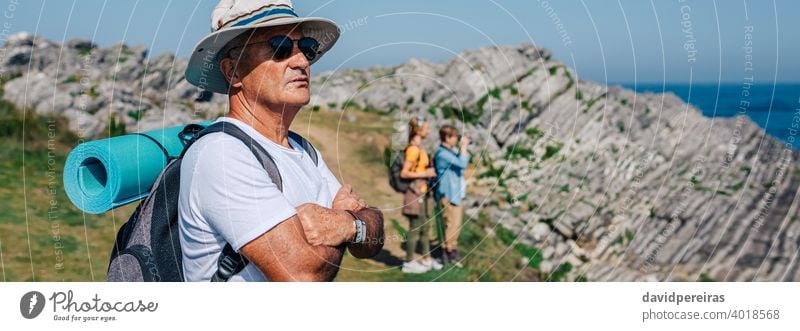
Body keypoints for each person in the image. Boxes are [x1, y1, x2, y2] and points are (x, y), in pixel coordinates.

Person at [178, 0, 383, 281]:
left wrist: (348, 225)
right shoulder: (221, 154)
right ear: (233, 71)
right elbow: (302, 275)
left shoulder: (303, 150)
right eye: (280, 47)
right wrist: (346, 220)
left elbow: (373, 238)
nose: (301, 61)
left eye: (307, 48)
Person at [399, 116, 443, 273]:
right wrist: (426, 172)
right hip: (415, 194)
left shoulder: (419, 147)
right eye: (426, 128)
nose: (429, 130)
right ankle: (408, 262)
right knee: (415, 228)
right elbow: (404, 173)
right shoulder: (413, 149)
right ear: (418, 130)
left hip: (423, 193)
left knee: (425, 228)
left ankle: (426, 258)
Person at [433, 125, 471, 265]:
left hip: (456, 193)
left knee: (456, 224)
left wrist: (462, 148)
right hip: (447, 193)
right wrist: (464, 147)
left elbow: (464, 159)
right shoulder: (442, 154)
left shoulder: (450, 151)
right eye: (454, 136)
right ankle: (446, 253)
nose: (457, 139)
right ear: (447, 137)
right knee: (450, 224)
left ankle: (452, 249)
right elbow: (462, 163)